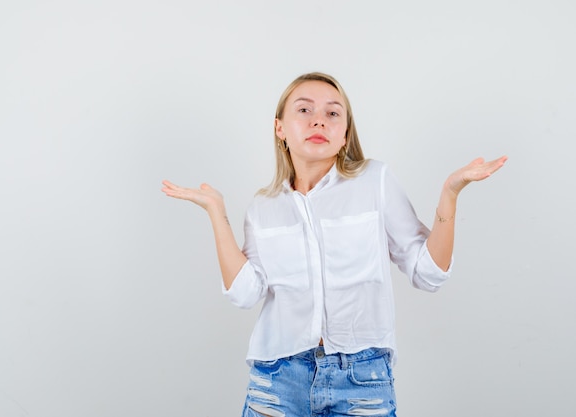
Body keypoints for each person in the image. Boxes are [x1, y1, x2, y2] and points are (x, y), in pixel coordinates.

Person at [162, 72, 507, 417]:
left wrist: (450, 193)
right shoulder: (262, 207)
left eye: (332, 113)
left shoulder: (375, 181)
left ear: (344, 134)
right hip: (276, 379)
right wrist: (216, 211)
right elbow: (245, 293)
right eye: (304, 110)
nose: (318, 121)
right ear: (280, 128)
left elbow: (427, 272)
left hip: (361, 379)